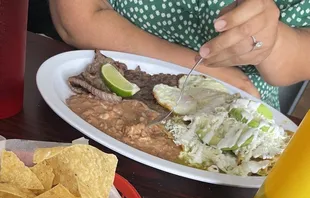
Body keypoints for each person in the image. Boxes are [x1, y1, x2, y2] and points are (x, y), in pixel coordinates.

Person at [49, 0, 310, 110]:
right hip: (95, 83)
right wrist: (208, 73)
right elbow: (76, 19)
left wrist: (267, 41)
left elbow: (298, 58)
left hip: (237, 119)